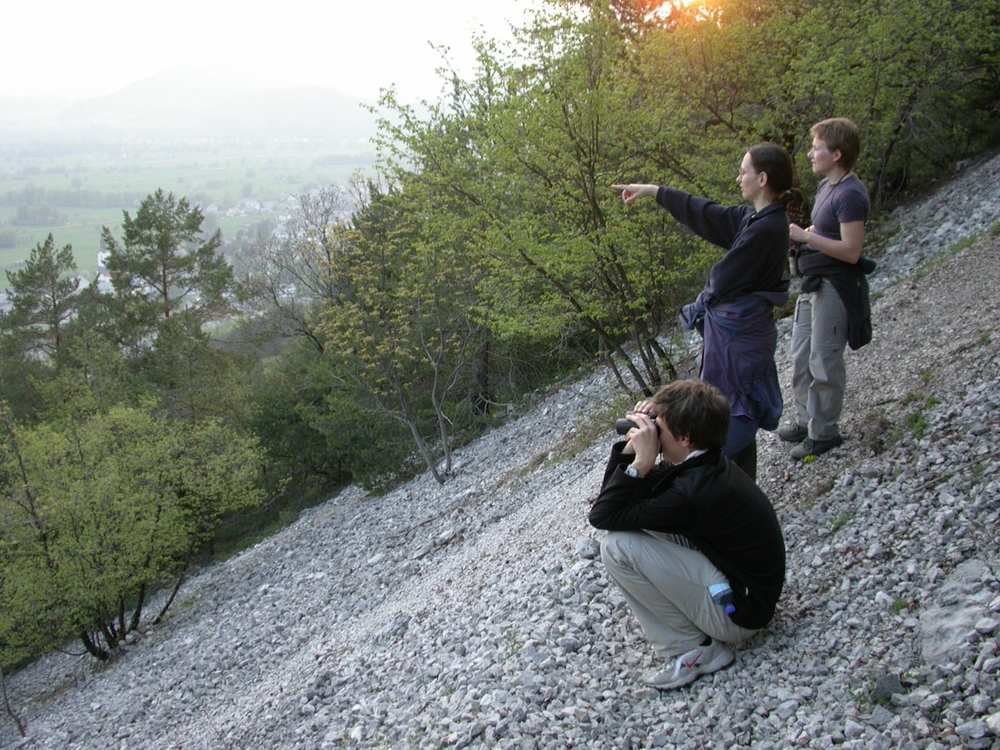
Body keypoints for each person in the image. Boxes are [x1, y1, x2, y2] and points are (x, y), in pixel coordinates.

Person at [613, 142, 802, 480]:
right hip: (735, 335)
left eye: (743, 171)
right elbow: (707, 214)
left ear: (762, 178)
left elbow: (722, 278)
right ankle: (740, 486)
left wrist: (702, 302)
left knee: (733, 407)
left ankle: (720, 486)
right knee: (729, 404)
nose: (738, 177)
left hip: (740, 337)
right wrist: (654, 191)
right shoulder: (756, 219)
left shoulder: (767, 228)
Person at [588, 379, 786, 690]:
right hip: (747, 589)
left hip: (739, 615)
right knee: (637, 525)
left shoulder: (694, 492)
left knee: (617, 546)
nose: (652, 432)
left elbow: (603, 516)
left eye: (659, 428)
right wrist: (631, 447)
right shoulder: (704, 462)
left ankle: (693, 649)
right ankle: (694, 634)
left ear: (685, 438)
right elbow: (618, 506)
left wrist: (641, 461)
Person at [781, 117, 873, 459]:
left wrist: (807, 237)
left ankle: (824, 431)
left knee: (824, 357)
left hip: (836, 285)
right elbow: (823, 230)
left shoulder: (851, 193)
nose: (810, 154)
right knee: (801, 353)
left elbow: (851, 251)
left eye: (816, 148)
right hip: (813, 282)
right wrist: (801, 233)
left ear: (836, 154)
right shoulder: (827, 188)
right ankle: (807, 421)